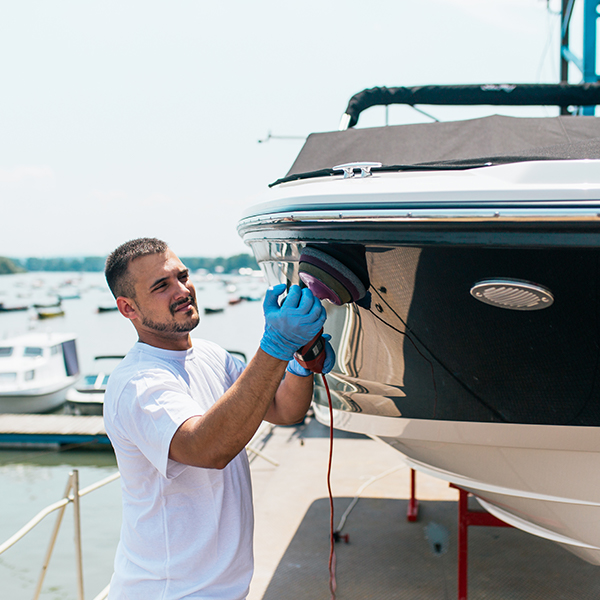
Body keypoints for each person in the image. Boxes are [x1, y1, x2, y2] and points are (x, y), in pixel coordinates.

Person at [102, 237, 334, 600]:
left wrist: (301, 363)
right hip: (168, 593)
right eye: (162, 286)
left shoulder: (210, 354)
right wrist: (274, 346)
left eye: (183, 276)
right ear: (128, 308)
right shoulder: (138, 382)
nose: (182, 290)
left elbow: (283, 409)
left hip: (220, 589)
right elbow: (208, 448)